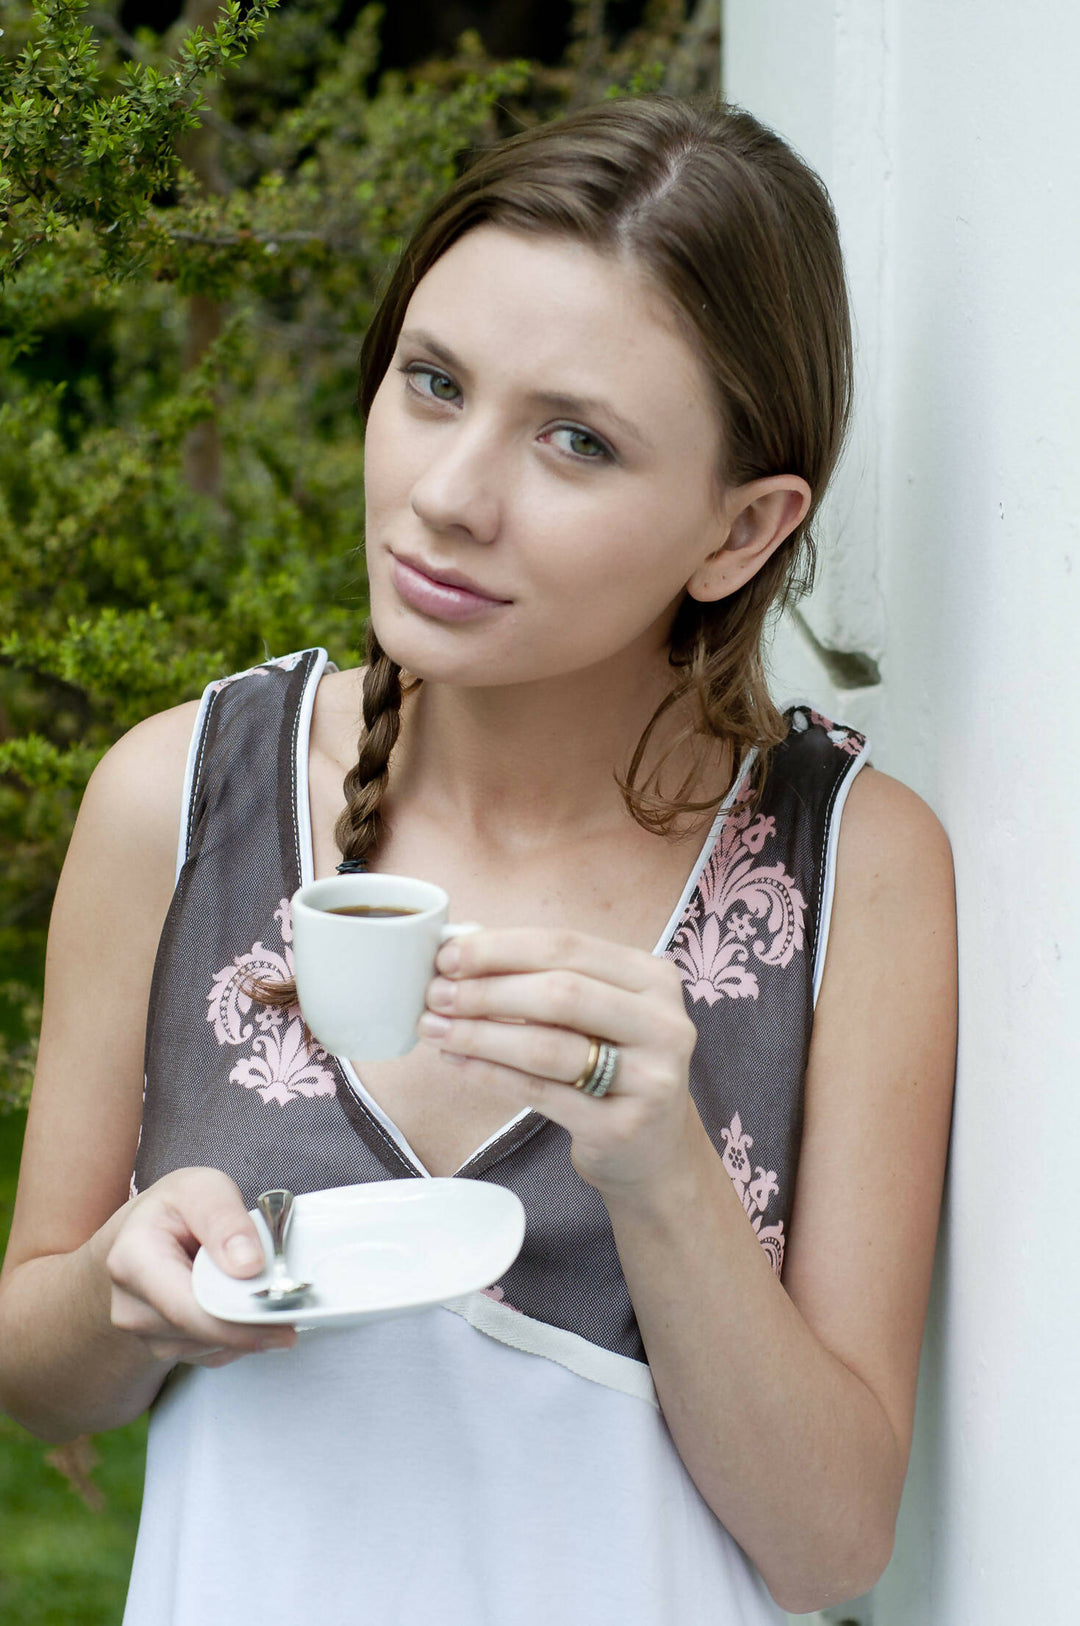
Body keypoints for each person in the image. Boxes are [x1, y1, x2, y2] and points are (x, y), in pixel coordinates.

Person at [0, 97, 956, 1625]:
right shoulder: (179, 797)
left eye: (577, 439)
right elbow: (38, 1375)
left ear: (742, 528)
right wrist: (133, 1275)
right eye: (433, 384)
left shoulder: (854, 867)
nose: (451, 492)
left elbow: (832, 1543)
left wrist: (661, 1170)